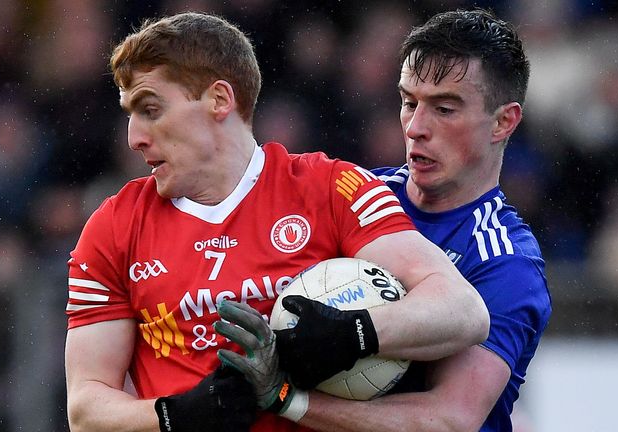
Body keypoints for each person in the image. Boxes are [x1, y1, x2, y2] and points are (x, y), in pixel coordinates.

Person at [63, 12, 489, 432]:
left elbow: (462, 311)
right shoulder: (113, 227)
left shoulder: (332, 188)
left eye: (151, 109)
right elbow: (85, 408)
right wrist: (176, 415)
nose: (133, 137)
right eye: (130, 114)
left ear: (219, 100)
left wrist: (353, 333)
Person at [219, 8, 551, 432]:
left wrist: (288, 399)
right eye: (409, 102)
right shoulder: (352, 196)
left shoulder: (505, 262)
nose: (415, 127)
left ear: (503, 122)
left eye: (444, 108)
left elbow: (448, 419)